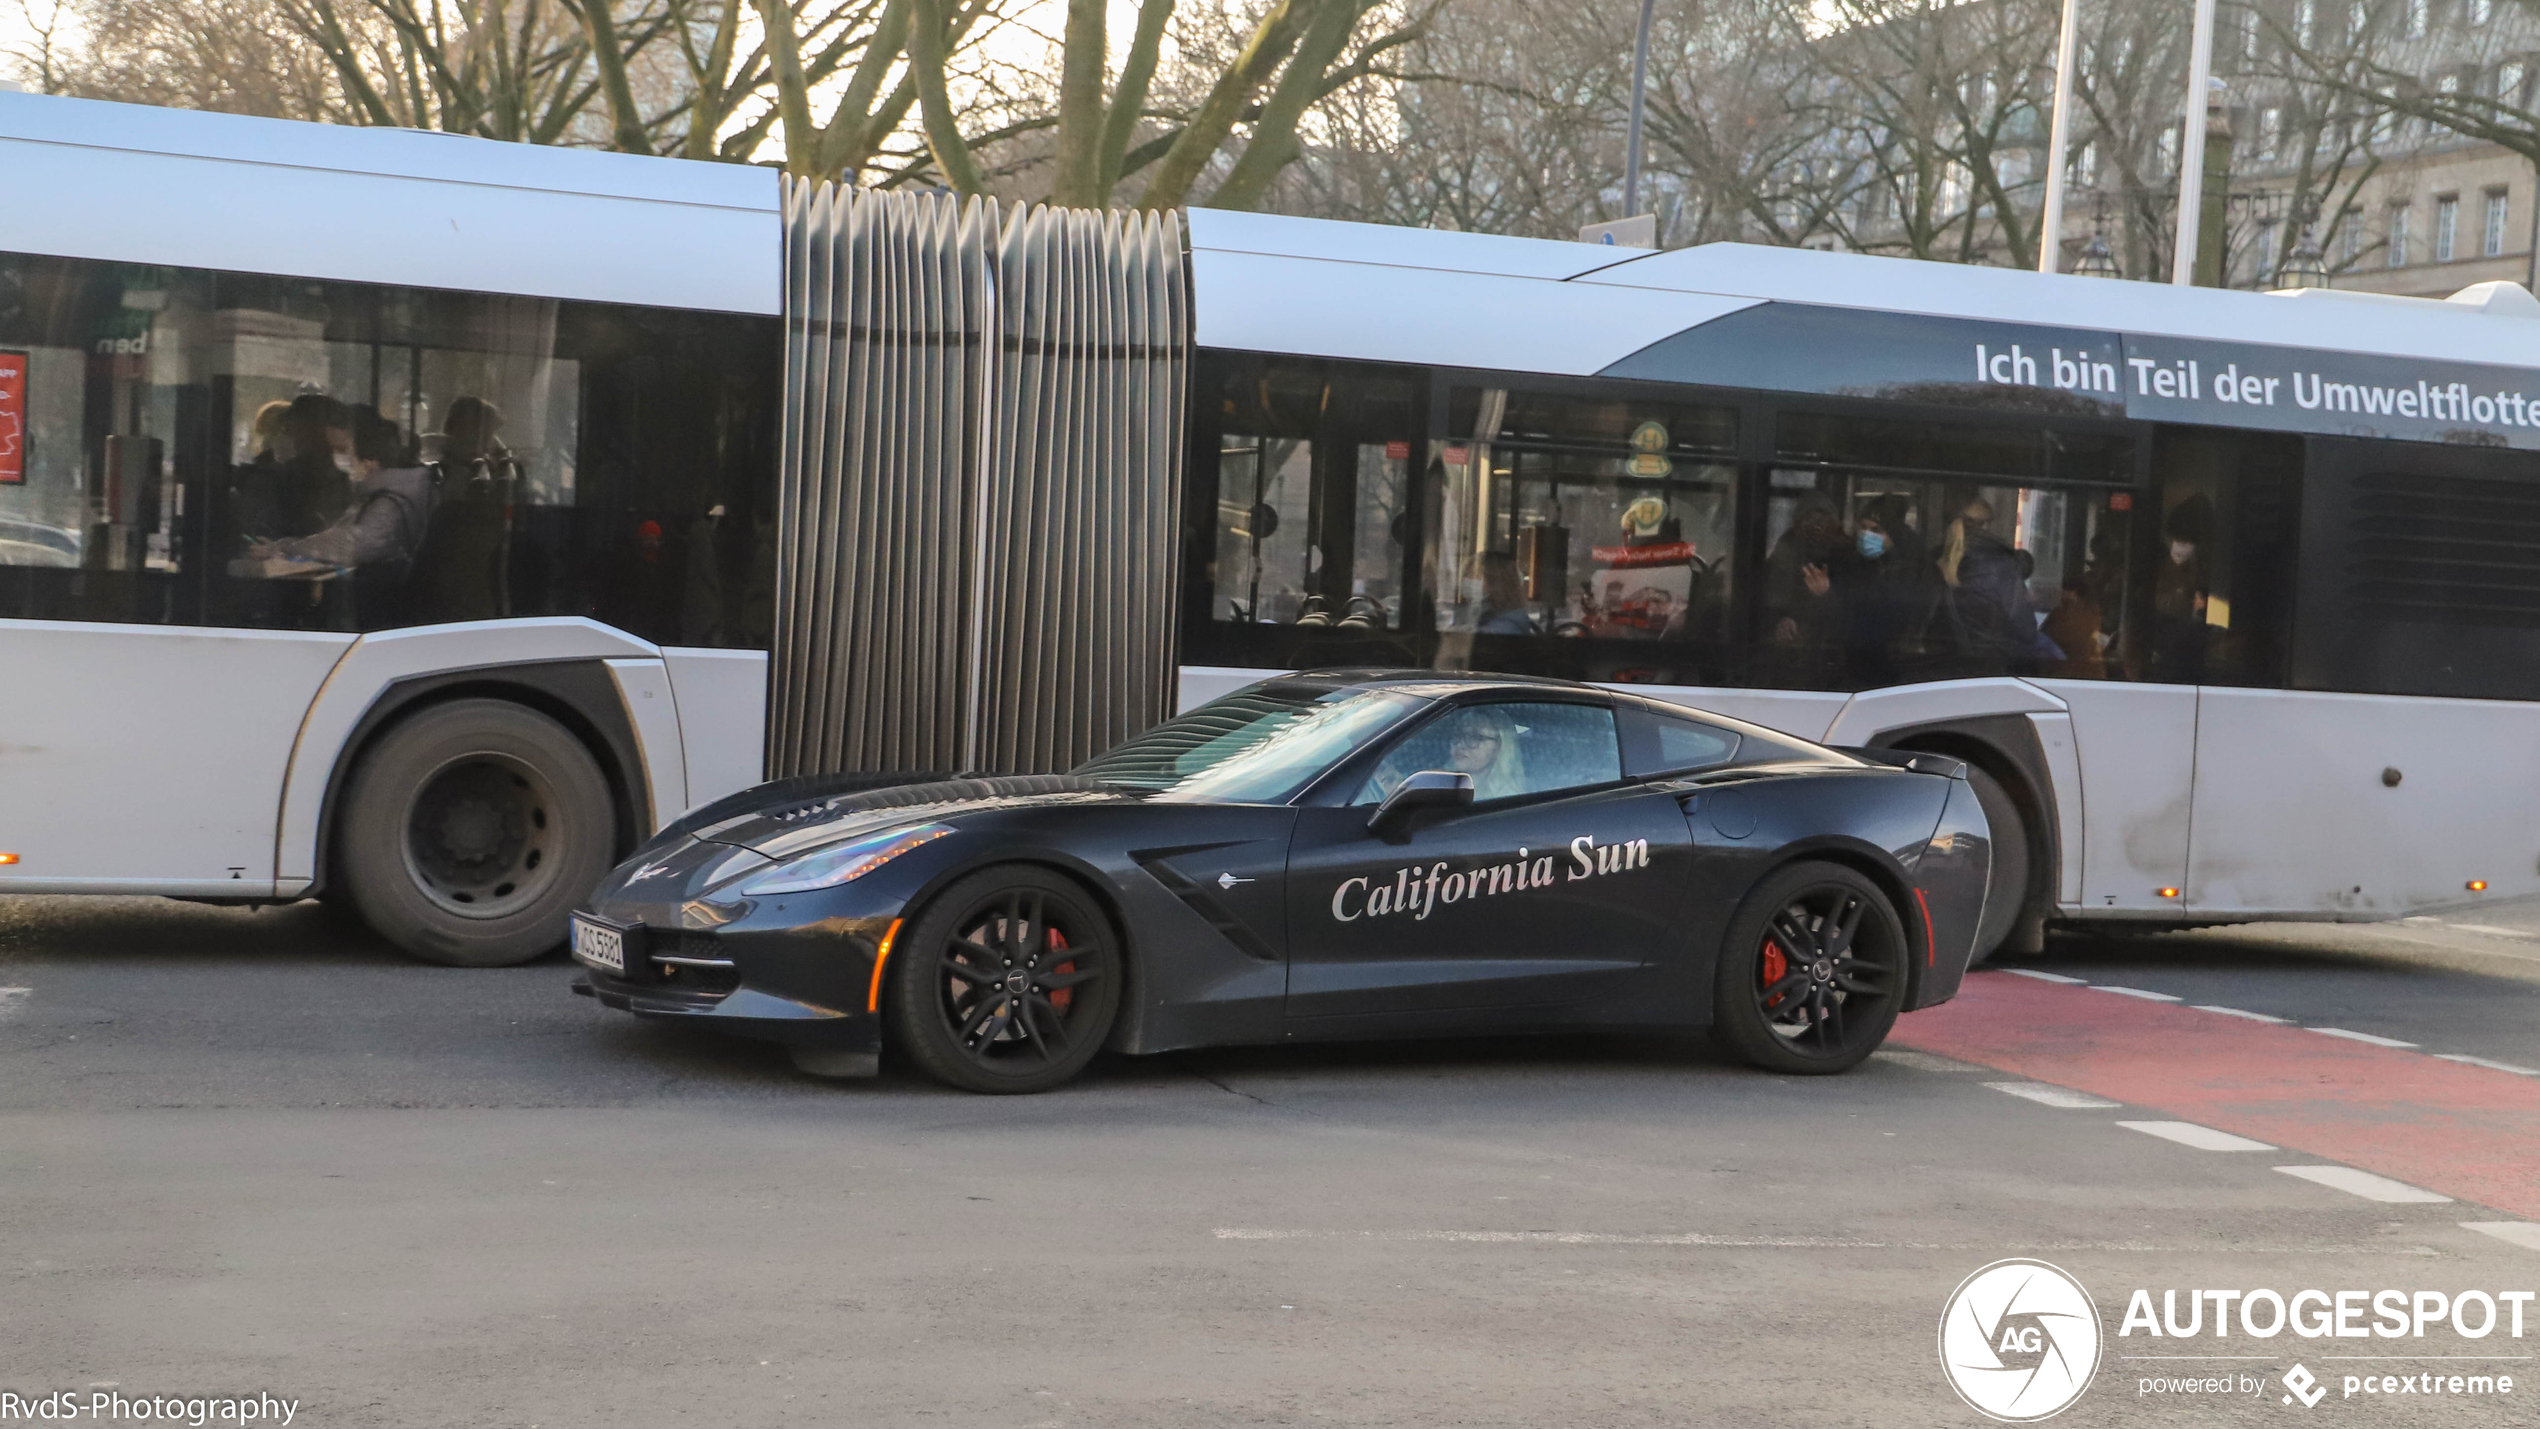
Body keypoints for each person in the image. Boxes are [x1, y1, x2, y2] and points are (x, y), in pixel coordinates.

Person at [1932, 495, 2062, 668]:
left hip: (1946, 660)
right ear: (1985, 525)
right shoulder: (1999, 565)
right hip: (1995, 663)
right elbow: (2025, 629)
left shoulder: (1935, 559)